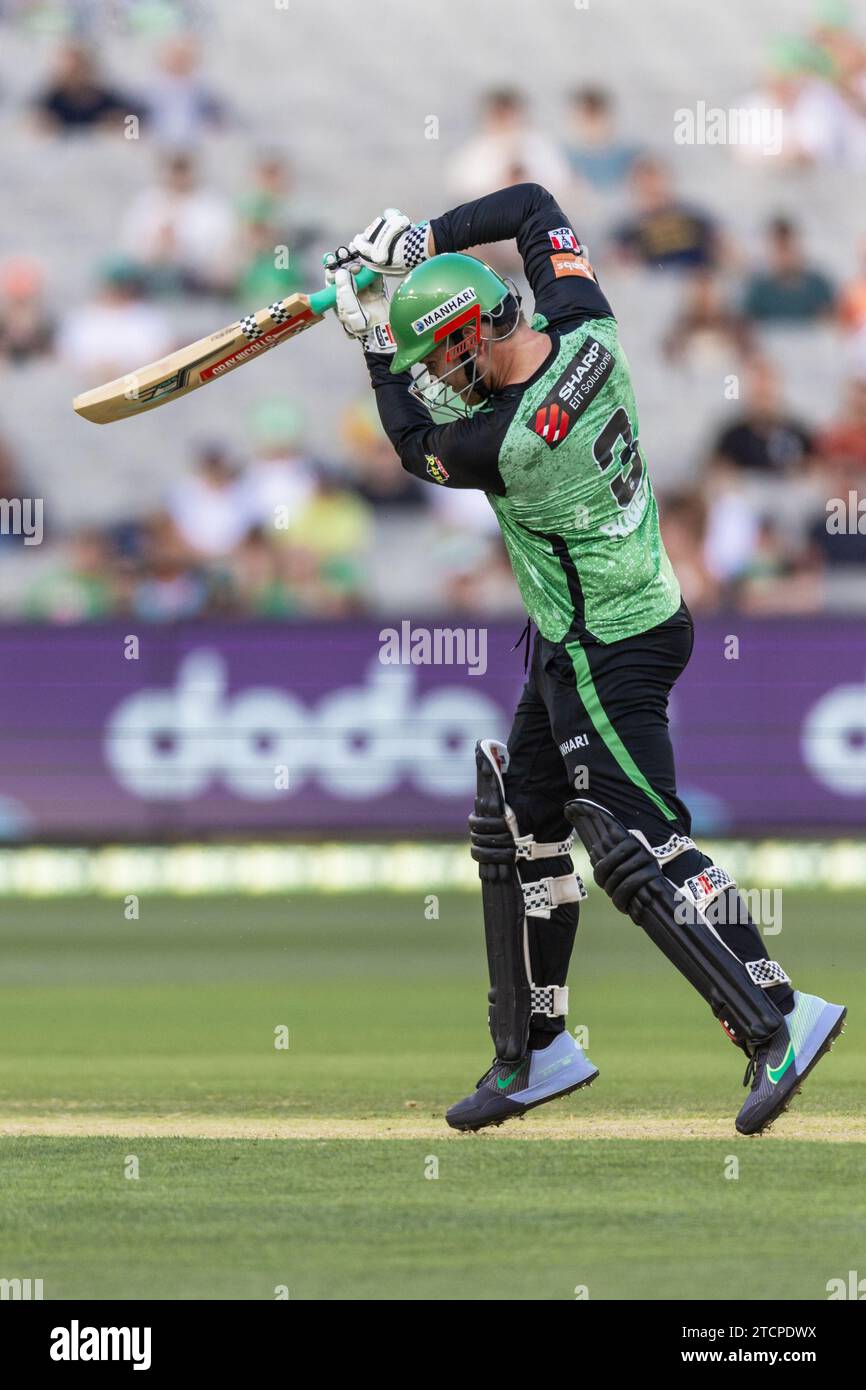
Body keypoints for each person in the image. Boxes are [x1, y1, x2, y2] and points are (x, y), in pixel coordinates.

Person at [324, 184, 846, 1136]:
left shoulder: (513, 441)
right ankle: (536, 1052)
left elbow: (410, 448)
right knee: (519, 827)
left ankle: (779, 1020)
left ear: (482, 328)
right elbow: (533, 206)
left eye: (441, 353)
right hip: (581, 637)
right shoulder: (589, 330)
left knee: (633, 843)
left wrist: (366, 339)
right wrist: (423, 240)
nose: (435, 374)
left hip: (613, 644)